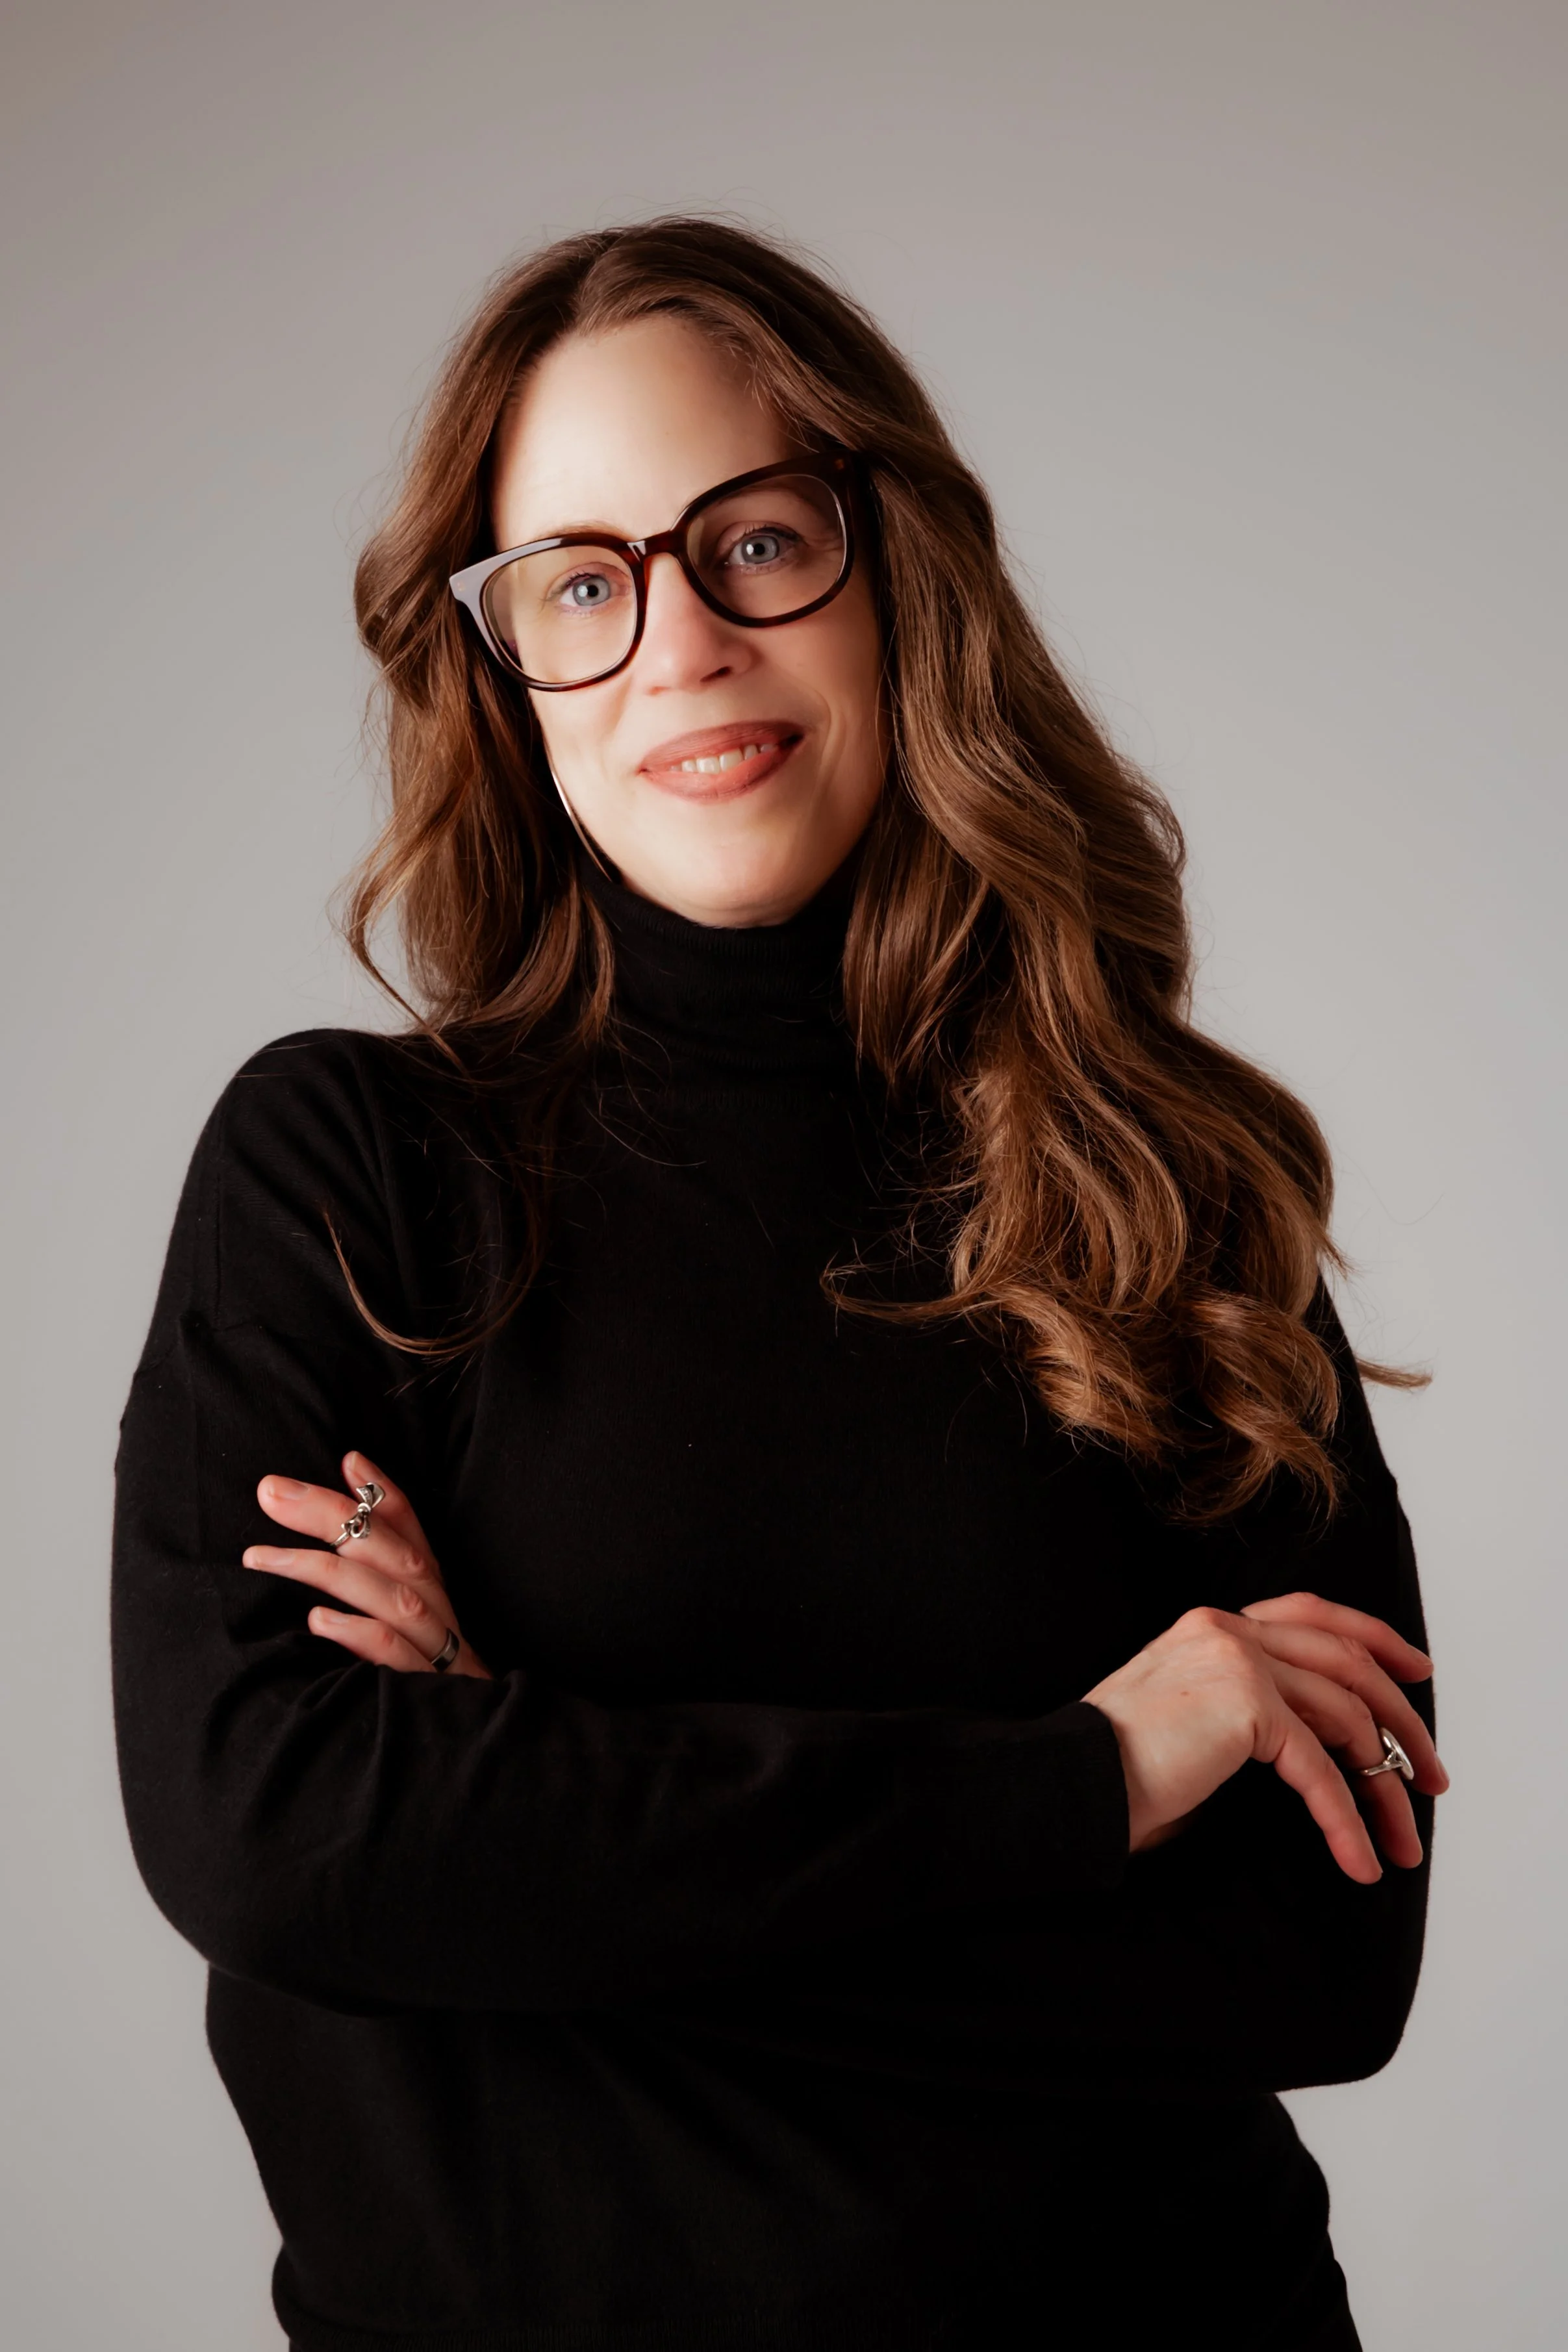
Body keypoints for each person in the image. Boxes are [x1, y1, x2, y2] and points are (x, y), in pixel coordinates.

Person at [112, 218, 1445, 2352]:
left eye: (751, 542)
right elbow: (279, 1840)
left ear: (889, 565)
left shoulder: (1158, 1195)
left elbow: (1313, 1968)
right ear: (504, 667)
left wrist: (518, 1797)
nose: (676, 645)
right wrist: (1081, 1780)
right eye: (577, 582)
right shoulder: (355, 1171)